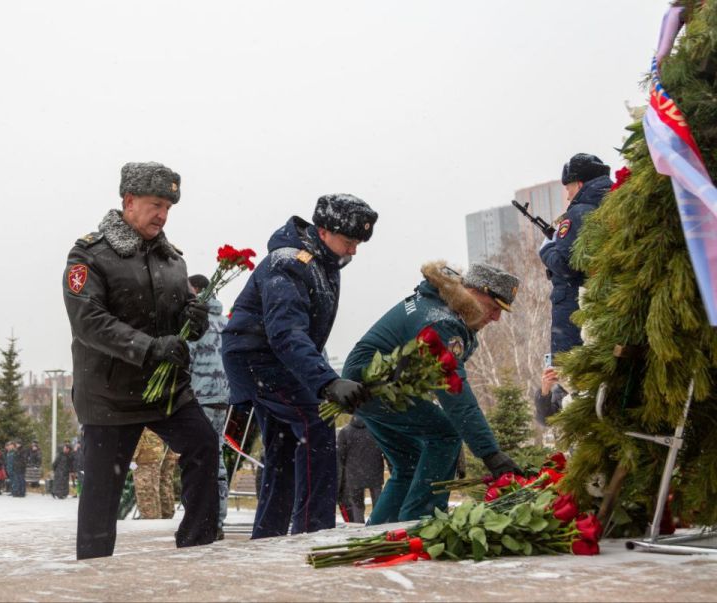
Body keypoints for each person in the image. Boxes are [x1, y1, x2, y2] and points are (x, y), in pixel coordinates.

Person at [62, 161, 220, 560]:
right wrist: (148, 347)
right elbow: (88, 321)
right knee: (102, 496)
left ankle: (196, 548)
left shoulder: (172, 260)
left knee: (203, 444)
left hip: (165, 391)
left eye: (168, 207)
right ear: (128, 201)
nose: (163, 215)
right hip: (109, 395)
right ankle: (94, 571)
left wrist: (193, 320)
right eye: (155, 205)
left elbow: (181, 314)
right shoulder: (90, 254)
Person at [222, 194, 378, 539]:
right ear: (324, 232)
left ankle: (269, 536)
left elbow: (304, 335)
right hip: (257, 359)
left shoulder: (323, 263)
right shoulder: (288, 262)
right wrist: (326, 383)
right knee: (316, 423)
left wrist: (321, 374)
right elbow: (286, 333)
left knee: (282, 447)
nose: (353, 250)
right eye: (349, 241)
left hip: (276, 359)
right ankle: (314, 531)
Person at [342, 262, 522, 524]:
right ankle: (420, 525)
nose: (496, 317)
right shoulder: (441, 323)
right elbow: (456, 395)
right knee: (446, 434)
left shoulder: (441, 307)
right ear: (472, 291)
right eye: (494, 307)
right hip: (375, 386)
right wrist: (490, 454)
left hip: (368, 388)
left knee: (411, 462)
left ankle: (380, 532)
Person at [539, 153, 612, 354]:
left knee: (567, 378)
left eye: (568, 188)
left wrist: (546, 248)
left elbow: (566, 264)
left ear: (579, 185)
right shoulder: (613, 206)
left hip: (575, 314)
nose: (568, 195)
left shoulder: (578, 213)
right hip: (604, 311)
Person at [187, 274, 232, 539]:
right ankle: (218, 519)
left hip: (199, 398)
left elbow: (186, 359)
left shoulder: (196, 323)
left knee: (198, 461)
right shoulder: (227, 323)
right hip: (223, 400)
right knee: (217, 459)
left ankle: (201, 519)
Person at [336, 415, 384, 525]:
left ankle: (359, 527)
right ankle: (378, 524)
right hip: (375, 473)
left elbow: (340, 456)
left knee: (357, 506)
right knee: (378, 504)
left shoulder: (345, 431)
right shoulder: (375, 429)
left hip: (353, 475)